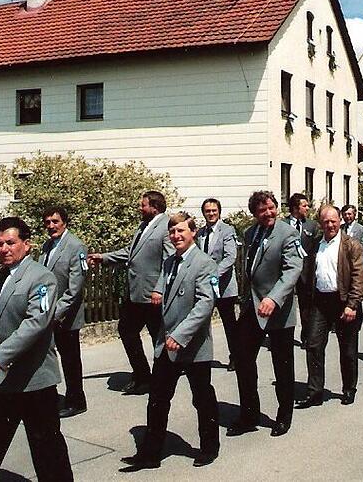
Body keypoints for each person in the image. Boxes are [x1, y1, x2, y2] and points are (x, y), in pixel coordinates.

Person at [0, 217, 73, 482]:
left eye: (11, 243)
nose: (4, 249)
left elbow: (36, 323)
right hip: (6, 381)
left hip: (34, 381)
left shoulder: (41, 277)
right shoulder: (1, 277)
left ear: (27, 244)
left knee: (48, 449)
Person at [120, 213, 220, 471]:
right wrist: (157, 291)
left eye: (181, 231)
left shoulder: (205, 263)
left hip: (193, 345)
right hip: (166, 343)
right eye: (173, 232)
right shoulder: (169, 262)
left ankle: (209, 448)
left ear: (193, 232)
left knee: (202, 397)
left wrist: (181, 335)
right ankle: (150, 454)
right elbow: (164, 287)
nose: (176, 236)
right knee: (158, 398)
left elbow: (205, 304)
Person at [229, 191, 303, 438]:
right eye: (263, 210)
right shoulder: (251, 233)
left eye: (271, 207)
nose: (269, 213)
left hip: (278, 310)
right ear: (255, 213)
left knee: (282, 366)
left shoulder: (288, 233)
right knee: (242, 358)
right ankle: (249, 414)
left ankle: (284, 416)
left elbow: (293, 269)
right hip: (253, 307)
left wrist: (274, 297)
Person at [89, 190, 173, 395]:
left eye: (142, 205)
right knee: (127, 330)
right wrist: (104, 257)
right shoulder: (143, 226)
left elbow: (169, 262)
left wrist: (159, 289)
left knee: (158, 337)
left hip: (153, 295)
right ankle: (143, 376)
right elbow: (131, 252)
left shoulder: (166, 227)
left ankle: (162, 377)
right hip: (136, 293)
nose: (139, 208)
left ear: (154, 206)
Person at [295, 205, 363, 408]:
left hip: (344, 302)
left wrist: (352, 305)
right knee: (314, 346)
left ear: (340, 221)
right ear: (320, 223)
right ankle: (315, 392)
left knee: (348, 350)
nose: (330, 225)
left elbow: (359, 277)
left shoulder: (351, 245)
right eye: (325, 221)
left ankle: (349, 388)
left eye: (333, 221)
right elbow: (308, 274)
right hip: (320, 302)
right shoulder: (316, 245)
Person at [41, 206, 89, 418]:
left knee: (70, 360)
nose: (51, 226)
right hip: (48, 313)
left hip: (65, 316)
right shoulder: (47, 245)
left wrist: (57, 313)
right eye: (48, 222)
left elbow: (75, 288)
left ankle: (76, 400)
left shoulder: (76, 246)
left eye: (55, 221)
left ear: (65, 222)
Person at [197, 198, 241, 372]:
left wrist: (213, 275)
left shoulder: (227, 230)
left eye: (214, 210)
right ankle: (200, 358)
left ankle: (236, 357)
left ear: (219, 212)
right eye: (208, 211)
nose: (211, 214)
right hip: (205, 287)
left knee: (230, 324)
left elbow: (230, 257)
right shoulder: (200, 233)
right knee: (200, 323)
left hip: (224, 287)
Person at [284, 193, 319, 347]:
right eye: (304, 205)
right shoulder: (283, 225)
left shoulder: (312, 225)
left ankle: (306, 336)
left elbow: (316, 247)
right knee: (285, 303)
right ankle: (283, 336)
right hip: (286, 270)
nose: (307, 208)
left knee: (307, 305)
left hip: (306, 272)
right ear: (295, 207)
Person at [340, 204, 363, 274]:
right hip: (342, 265)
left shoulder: (362, 230)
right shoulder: (340, 229)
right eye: (345, 214)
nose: (347, 216)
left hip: (356, 264)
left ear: (354, 214)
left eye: (349, 214)